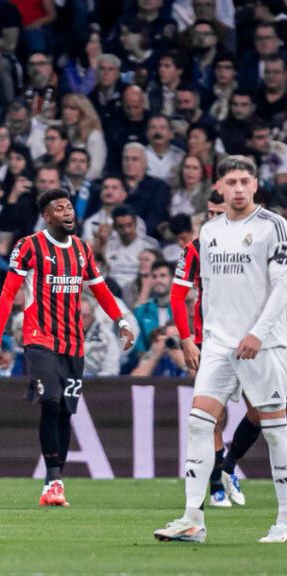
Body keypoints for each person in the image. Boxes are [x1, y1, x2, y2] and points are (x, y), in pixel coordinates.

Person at [156, 156, 287, 544]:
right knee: (199, 422)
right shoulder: (210, 231)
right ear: (220, 187)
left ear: (255, 184)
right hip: (219, 343)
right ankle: (192, 520)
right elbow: (208, 291)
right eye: (232, 182)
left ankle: (284, 521)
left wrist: (259, 333)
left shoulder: (274, 227)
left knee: (276, 431)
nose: (239, 189)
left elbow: (282, 286)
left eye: (245, 181)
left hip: (263, 344)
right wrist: (203, 337)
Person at [0, 188, 134, 507]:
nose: (68, 212)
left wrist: (121, 320)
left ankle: (55, 483)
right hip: (39, 340)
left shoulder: (81, 249)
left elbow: (100, 290)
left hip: (73, 344)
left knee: (65, 412)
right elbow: (8, 293)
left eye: (69, 207)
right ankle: (53, 477)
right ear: (46, 216)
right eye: (60, 208)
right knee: (51, 402)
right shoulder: (29, 246)